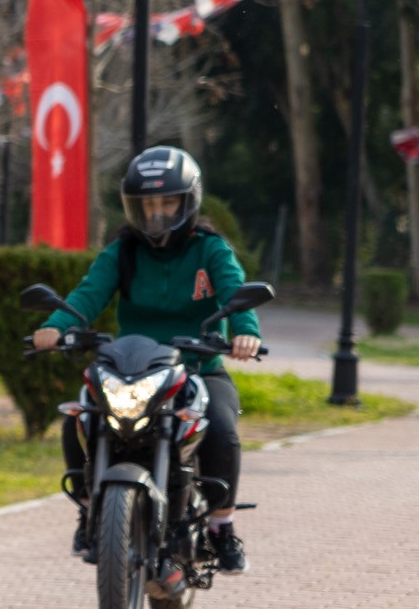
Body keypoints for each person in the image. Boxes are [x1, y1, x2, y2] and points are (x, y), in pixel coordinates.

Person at [32, 146, 264, 573]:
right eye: (147, 204)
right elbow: (87, 293)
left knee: (224, 432)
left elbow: (235, 291)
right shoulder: (122, 252)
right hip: (131, 369)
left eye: (166, 202)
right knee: (78, 418)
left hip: (198, 368)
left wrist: (246, 332)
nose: (156, 213)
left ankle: (221, 526)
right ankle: (89, 511)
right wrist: (56, 325)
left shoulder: (209, 249)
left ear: (188, 201)